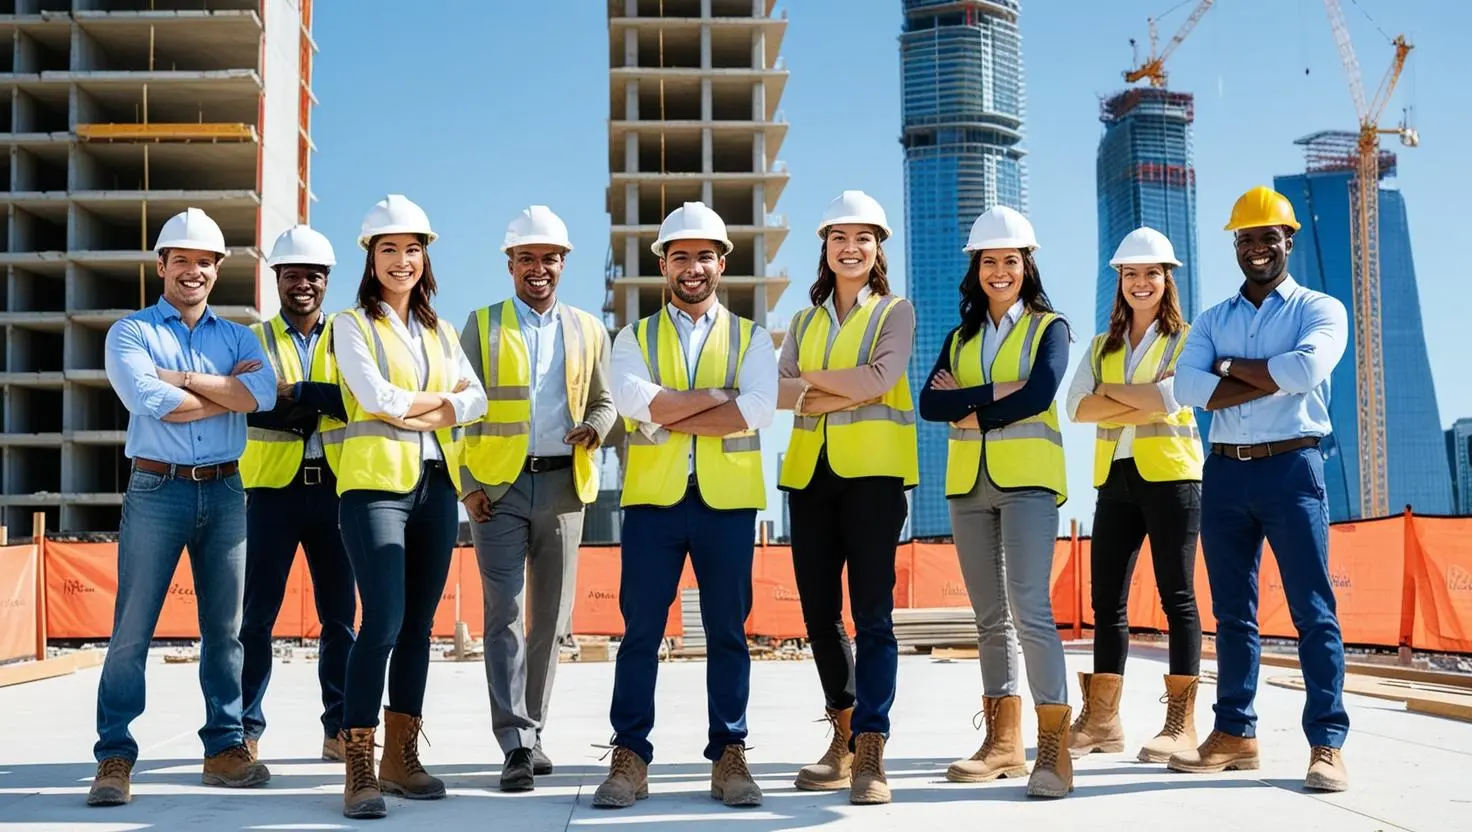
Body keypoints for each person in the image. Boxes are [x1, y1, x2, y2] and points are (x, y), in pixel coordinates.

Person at [90, 208, 277, 806]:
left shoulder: (240, 337)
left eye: (204, 262)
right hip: (156, 490)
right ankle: (114, 756)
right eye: (182, 261)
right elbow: (152, 402)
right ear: (161, 265)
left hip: (225, 491)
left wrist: (181, 380)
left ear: (217, 270)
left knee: (226, 631)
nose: (193, 271)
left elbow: (263, 394)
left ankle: (224, 747)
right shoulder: (132, 333)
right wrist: (225, 392)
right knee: (131, 630)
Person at [595, 202, 776, 810]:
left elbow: (754, 409)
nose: (692, 266)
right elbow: (630, 399)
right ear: (663, 265)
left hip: (727, 502)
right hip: (653, 503)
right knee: (640, 633)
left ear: (722, 262)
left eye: (704, 255)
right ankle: (630, 756)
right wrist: (713, 399)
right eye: (680, 256)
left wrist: (671, 408)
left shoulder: (751, 336)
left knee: (728, 633)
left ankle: (729, 754)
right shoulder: (633, 337)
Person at [1168, 186, 1350, 792]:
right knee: (1232, 614)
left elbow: (1307, 371)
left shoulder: (1321, 310)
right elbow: (1186, 391)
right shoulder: (1213, 318)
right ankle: (1235, 734)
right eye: (1245, 238)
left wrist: (1225, 368)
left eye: (1268, 236)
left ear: (1287, 241)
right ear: (1236, 245)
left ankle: (1326, 744)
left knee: (1313, 611)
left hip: (1291, 471)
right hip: (1223, 473)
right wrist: (1268, 376)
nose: (1256, 248)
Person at [332, 194, 488, 819]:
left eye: (412, 250)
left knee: (420, 629)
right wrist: (437, 401)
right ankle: (359, 765)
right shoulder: (351, 324)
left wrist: (420, 403)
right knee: (384, 622)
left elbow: (474, 400)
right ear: (371, 258)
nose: (402, 261)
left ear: (426, 258)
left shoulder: (441, 331)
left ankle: (401, 757)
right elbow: (375, 399)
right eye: (389, 249)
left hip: (434, 489)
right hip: (374, 488)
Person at [917, 204, 1074, 799]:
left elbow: (1039, 393)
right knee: (987, 618)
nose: (1000, 270)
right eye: (989, 261)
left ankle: (1054, 751)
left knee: (1029, 608)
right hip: (968, 486)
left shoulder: (1049, 327)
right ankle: (1004, 744)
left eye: (1011, 259)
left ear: (1026, 266)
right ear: (976, 269)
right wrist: (995, 394)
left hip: (1029, 481)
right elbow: (931, 405)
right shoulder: (960, 336)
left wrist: (971, 404)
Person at [458, 205, 617, 792]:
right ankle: (516, 742)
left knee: (550, 619)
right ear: (510, 264)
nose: (539, 268)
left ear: (563, 262)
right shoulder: (481, 324)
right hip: (496, 490)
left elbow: (606, 399)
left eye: (549, 258)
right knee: (504, 614)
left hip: (563, 486)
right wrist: (467, 485)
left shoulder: (588, 329)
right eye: (527, 258)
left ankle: (535, 729)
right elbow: (455, 414)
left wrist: (596, 429)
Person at [776, 190, 917, 805]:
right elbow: (777, 390)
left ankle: (871, 749)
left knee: (874, 615)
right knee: (817, 613)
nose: (850, 248)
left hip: (873, 479)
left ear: (878, 248)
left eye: (863, 238)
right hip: (810, 478)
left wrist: (810, 387)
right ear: (825, 248)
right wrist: (839, 390)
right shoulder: (804, 321)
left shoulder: (895, 313)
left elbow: (881, 380)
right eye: (839, 238)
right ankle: (843, 728)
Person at [1064, 226, 1204, 762]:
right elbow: (1076, 407)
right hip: (1115, 482)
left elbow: (1176, 397)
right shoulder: (1102, 345)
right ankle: (1102, 722)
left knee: (1178, 598)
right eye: (1130, 274)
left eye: (1151, 273)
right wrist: (1143, 398)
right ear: (1119, 281)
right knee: (1108, 604)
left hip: (1172, 476)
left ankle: (1179, 725)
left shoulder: (1189, 339)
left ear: (1167, 280)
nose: (1140, 282)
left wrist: (1112, 395)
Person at [237, 224, 356, 764]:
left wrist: (299, 395)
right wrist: (314, 402)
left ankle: (338, 728)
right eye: (292, 274)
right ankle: (245, 727)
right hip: (271, 493)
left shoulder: (350, 336)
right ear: (277, 278)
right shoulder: (253, 340)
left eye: (312, 274)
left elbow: (355, 401)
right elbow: (254, 403)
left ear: (326, 280)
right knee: (256, 619)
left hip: (337, 490)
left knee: (340, 619)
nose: (301, 283)